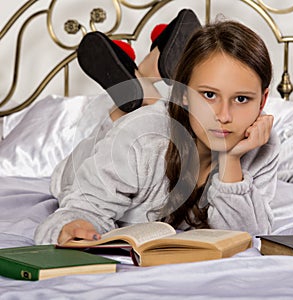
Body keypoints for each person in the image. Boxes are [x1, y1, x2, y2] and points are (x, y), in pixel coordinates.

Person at [34, 12, 279, 245]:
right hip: (89, 159)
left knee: (145, 117)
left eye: (241, 99)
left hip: (159, 122)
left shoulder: (261, 142)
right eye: (209, 94)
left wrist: (231, 159)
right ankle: (139, 91)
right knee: (130, 124)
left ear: (263, 100)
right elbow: (80, 207)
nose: (223, 116)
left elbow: (250, 236)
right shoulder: (141, 138)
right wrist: (74, 227)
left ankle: (147, 79)